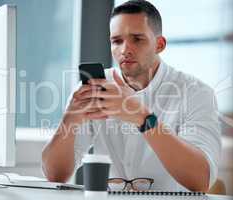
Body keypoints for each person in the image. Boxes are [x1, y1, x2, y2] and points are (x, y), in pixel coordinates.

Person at [42, 0, 221, 192]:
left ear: (159, 44)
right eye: (117, 41)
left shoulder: (197, 93)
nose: (124, 50)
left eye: (137, 39)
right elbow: (55, 175)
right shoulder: (96, 89)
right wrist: (70, 120)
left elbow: (200, 180)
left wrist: (141, 117)